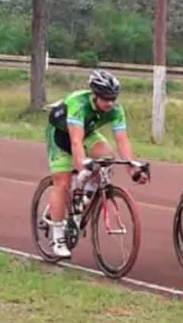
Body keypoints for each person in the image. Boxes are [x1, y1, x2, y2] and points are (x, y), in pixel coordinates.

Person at [44, 70, 149, 258]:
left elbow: (122, 141)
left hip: (86, 131)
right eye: (105, 99)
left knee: (107, 156)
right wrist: (83, 167)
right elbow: (76, 142)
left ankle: (85, 195)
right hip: (61, 135)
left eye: (113, 98)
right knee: (63, 183)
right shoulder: (79, 104)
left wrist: (132, 167)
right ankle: (57, 237)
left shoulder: (116, 110)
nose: (110, 103)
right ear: (94, 95)